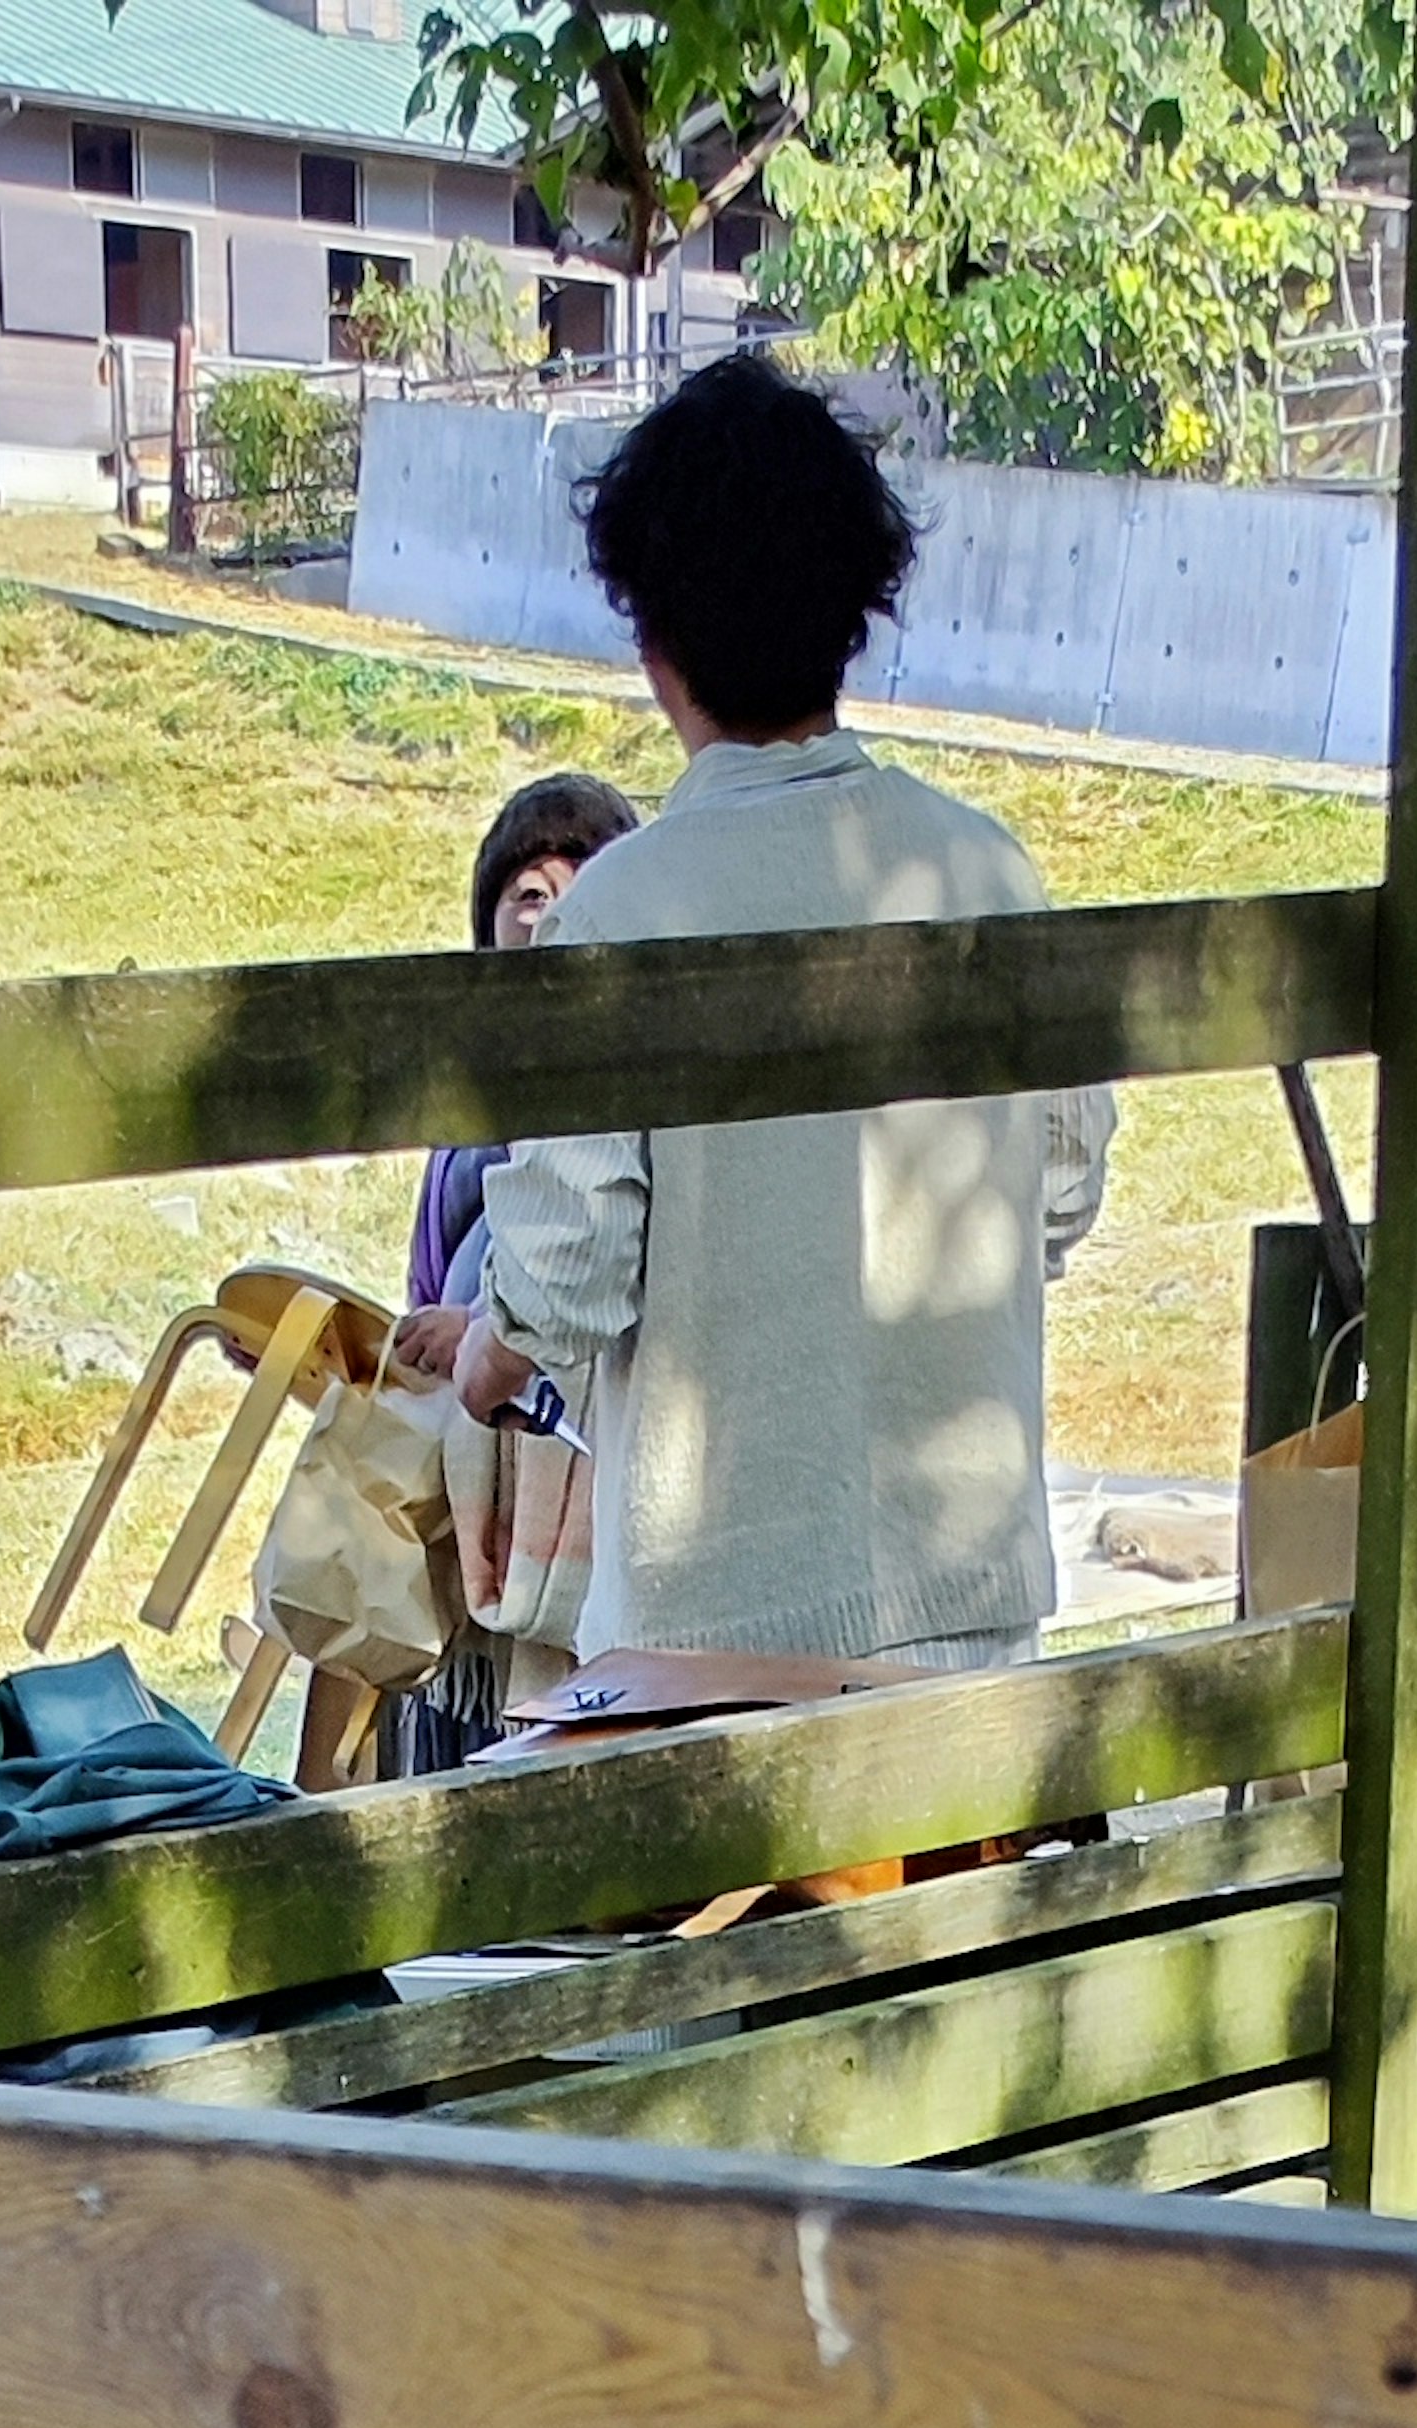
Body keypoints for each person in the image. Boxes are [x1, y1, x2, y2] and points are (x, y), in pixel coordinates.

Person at [458, 357, 1113, 1741]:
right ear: (852, 615)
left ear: (654, 643)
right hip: (971, 1617)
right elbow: (1062, 1195)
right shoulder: (990, 874)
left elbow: (568, 1271)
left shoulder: (620, 914)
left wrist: (486, 1355)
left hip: (712, 1649)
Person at [384, 769, 641, 1777]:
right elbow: (432, 1281)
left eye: (574, 888)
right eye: (525, 893)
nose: (546, 915)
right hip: (461, 1480)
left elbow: (602, 1277)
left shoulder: (625, 1080)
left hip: (565, 1488)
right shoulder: (467, 1093)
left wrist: (489, 1336)